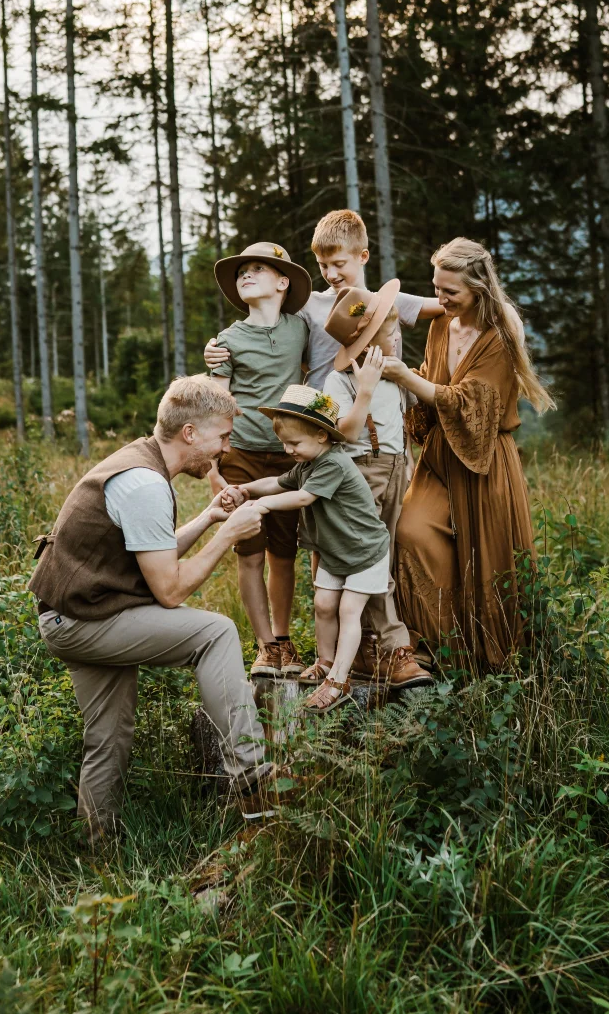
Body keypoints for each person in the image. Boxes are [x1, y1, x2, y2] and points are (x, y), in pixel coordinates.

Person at [29, 375, 276, 843]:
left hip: (73, 614)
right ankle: (250, 772)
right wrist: (229, 536)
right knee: (217, 632)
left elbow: (152, 552)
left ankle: (96, 847)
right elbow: (170, 590)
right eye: (222, 436)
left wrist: (209, 519)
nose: (225, 448)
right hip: (85, 621)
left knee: (109, 736)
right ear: (190, 434)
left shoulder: (141, 463)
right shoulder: (144, 484)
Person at [386, 238, 555, 669]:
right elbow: (432, 379)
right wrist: (400, 377)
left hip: (484, 461)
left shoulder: (499, 335)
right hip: (440, 458)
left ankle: (496, 662)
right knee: (411, 532)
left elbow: (472, 405)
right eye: (436, 288)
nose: (440, 300)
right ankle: (447, 649)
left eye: (450, 292)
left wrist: (406, 377)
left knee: (488, 560)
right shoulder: (442, 323)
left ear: (478, 288)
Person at [218, 385, 391, 713]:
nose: (287, 449)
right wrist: (243, 491)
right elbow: (277, 482)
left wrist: (261, 507)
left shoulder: (333, 464)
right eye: (284, 442)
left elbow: (301, 498)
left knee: (348, 610)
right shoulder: (307, 464)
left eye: (293, 443)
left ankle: (339, 679)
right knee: (324, 604)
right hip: (335, 550)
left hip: (365, 552)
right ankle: (325, 662)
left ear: (322, 436)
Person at [202, 208, 442, 407]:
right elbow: (267, 332)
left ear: (363, 256)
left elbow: (448, 305)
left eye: (339, 264)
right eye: (323, 265)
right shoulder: (308, 305)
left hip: (378, 407)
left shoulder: (388, 300)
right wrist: (216, 349)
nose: (331, 274)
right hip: (320, 408)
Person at [206, 241, 312, 680]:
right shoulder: (228, 340)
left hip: (290, 458)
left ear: (283, 282)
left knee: (283, 554)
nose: (245, 275)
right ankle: (265, 646)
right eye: (241, 271)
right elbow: (213, 406)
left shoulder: (301, 329)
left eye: (257, 269)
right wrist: (213, 470)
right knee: (249, 552)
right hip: (241, 456)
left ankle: (285, 641)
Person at [321, 283, 432, 689]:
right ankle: (389, 645)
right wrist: (364, 390)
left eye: (397, 328)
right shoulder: (341, 382)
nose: (397, 335)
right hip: (361, 475)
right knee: (371, 559)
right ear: (366, 341)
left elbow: (406, 424)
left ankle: (385, 642)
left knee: (389, 555)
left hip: (398, 469)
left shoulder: (396, 373)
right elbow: (343, 433)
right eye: (389, 331)